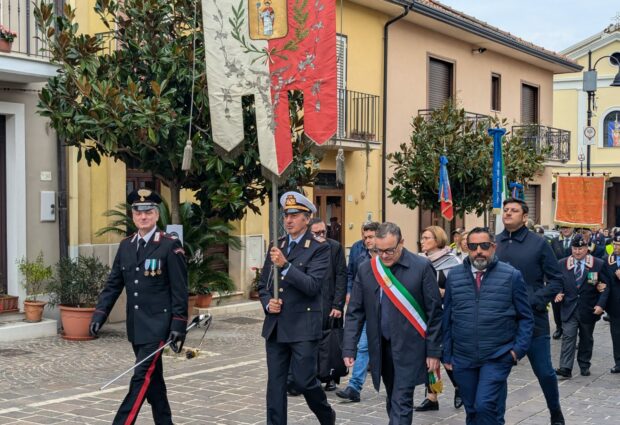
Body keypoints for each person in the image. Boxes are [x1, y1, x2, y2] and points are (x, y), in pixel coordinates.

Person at [89, 189, 188, 425]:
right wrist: (99, 314)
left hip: (158, 326)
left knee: (141, 378)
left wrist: (178, 325)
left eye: (148, 212)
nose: (143, 217)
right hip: (136, 326)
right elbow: (113, 284)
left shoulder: (169, 245)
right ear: (133, 215)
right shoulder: (126, 246)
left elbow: (179, 289)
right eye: (138, 212)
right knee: (154, 382)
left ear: (156, 215)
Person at [343, 222, 443, 425]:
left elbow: (435, 313)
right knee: (392, 397)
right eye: (378, 251)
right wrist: (349, 348)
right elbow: (355, 312)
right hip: (381, 347)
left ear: (402, 243)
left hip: (411, 346)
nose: (384, 255)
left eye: (390, 250)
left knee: (402, 399)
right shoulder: (367, 269)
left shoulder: (421, 267)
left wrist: (433, 351)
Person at [258, 191, 335, 425]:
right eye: (286, 215)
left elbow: (312, 286)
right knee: (276, 385)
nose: (288, 220)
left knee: (303, 381)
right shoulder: (277, 245)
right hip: (277, 325)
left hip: (303, 326)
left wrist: (286, 266)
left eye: (295, 215)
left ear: (307, 218)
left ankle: (326, 415)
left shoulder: (319, 248)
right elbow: (263, 284)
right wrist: (267, 303)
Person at [443, 227, 533, 424]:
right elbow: (448, 316)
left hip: (497, 355)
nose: (479, 251)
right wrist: (447, 353)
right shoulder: (454, 276)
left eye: (484, 246)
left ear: (493, 246)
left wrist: (516, 351)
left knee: (485, 405)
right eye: (473, 246)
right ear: (467, 248)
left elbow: (526, 317)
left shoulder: (511, 276)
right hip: (463, 357)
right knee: (472, 410)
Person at [495, 198, 566, 425]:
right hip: (502, 321)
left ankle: (555, 412)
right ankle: (498, 419)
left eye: (514, 210)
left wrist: (534, 301)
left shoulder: (539, 243)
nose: (508, 213)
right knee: (498, 375)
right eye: (505, 210)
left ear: (525, 217)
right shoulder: (494, 244)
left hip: (533, 319)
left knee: (545, 372)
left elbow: (557, 281)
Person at [416, 226, 463, 412]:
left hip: (444, 315)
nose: (422, 240)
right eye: (422, 237)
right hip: (424, 315)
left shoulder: (452, 262)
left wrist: (442, 293)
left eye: (427, 237)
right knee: (427, 354)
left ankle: (460, 387)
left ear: (438, 240)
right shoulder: (420, 261)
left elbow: (459, 289)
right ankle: (432, 396)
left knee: (442, 355)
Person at [554, 234, 610, 378]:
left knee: (586, 338)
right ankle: (565, 368)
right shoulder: (562, 264)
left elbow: (605, 287)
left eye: (581, 248)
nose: (577, 252)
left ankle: (584, 364)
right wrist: (558, 293)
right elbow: (557, 283)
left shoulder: (598, 264)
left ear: (587, 248)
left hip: (588, 309)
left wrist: (600, 305)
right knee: (568, 337)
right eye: (575, 248)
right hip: (569, 308)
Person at [336, 221, 379, 402]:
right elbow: (350, 272)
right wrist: (349, 291)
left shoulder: (388, 252)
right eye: (365, 236)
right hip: (364, 305)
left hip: (386, 308)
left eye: (371, 237)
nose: (367, 240)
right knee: (363, 345)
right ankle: (354, 386)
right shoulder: (356, 249)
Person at [309, 218, 347, 391]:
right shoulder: (307, 247)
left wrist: (338, 305)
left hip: (331, 301)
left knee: (333, 341)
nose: (321, 236)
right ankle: (314, 375)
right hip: (312, 302)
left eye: (323, 232)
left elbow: (341, 276)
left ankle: (332, 377)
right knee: (313, 340)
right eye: (316, 233)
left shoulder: (335, 247)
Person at [550, 226, 575, 340]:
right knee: (556, 305)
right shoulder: (554, 241)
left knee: (573, 304)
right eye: (563, 228)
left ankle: (573, 329)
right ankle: (559, 327)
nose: (565, 230)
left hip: (573, 278)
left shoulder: (578, 240)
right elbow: (549, 260)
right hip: (557, 279)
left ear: (572, 228)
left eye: (567, 227)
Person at [604, 233, 620, 373]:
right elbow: (603, 280)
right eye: (615, 244)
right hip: (615, 305)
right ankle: (618, 362)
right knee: (616, 335)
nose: (616, 247)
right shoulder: (607, 260)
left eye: (619, 245)